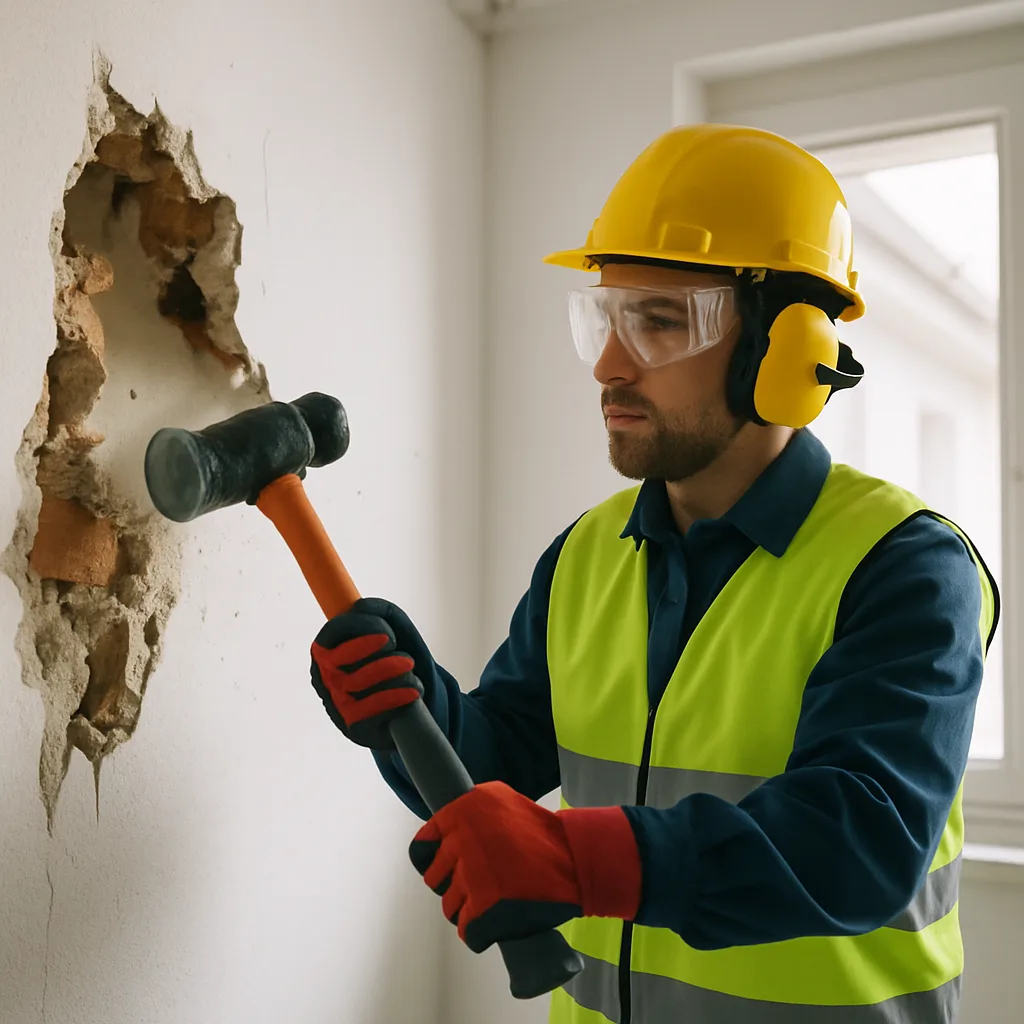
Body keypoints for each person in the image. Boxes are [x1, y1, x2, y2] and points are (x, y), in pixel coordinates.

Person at [309, 123, 999, 1023]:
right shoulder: (587, 555)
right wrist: (407, 712)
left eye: (660, 321)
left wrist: (572, 858)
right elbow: (491, 771)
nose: (607, 364)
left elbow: (862, 840)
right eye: (605, 316)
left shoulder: (905, 567)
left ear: (785, 351)